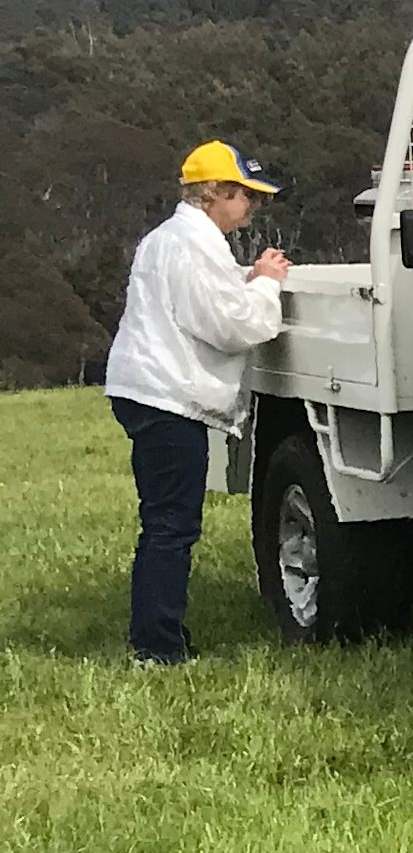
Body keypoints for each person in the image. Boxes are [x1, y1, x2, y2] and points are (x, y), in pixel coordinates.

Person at [101, 143, 294, 666]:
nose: (251, 207)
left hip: (147, 391)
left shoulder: (172, 238)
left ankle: (160, 637)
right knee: (171, 525)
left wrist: (247, 279)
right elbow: (232, 326)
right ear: (217, 193)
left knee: (164, 521)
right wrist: (267, 286)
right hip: (166, 397)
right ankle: (157, 648)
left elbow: (206, 300)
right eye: (246, 195)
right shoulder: (192, 246)